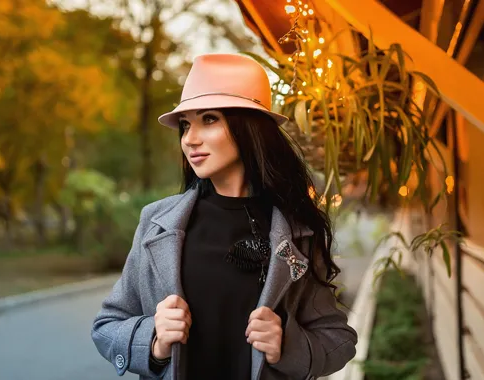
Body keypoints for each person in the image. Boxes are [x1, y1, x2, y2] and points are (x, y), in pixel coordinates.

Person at [91, 53, 357, 380]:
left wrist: (287, 344)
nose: (190, 138)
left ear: (249, 128)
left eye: (210, 119)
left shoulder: (297, 230)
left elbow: (338, 338)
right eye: (186, 125)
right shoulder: (157, 222)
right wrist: (154, 340)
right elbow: (107, 326)